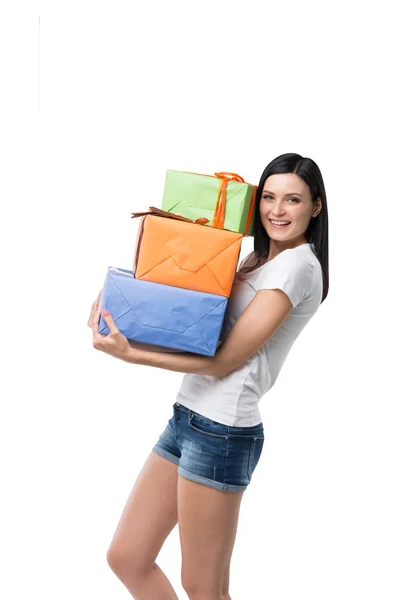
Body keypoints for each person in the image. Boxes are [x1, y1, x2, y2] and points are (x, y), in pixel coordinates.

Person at [87, 152, 329, 600]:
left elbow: (223, 361)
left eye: (293, 199)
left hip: (222, 431)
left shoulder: (297, 267)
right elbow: (196, 328)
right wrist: (125, 310)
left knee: (204, 588)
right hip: (188, 416)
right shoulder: (257, 259)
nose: (277, 210)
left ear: (315, 207)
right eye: (269, 197)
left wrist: (132, 354)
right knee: (127, 557)